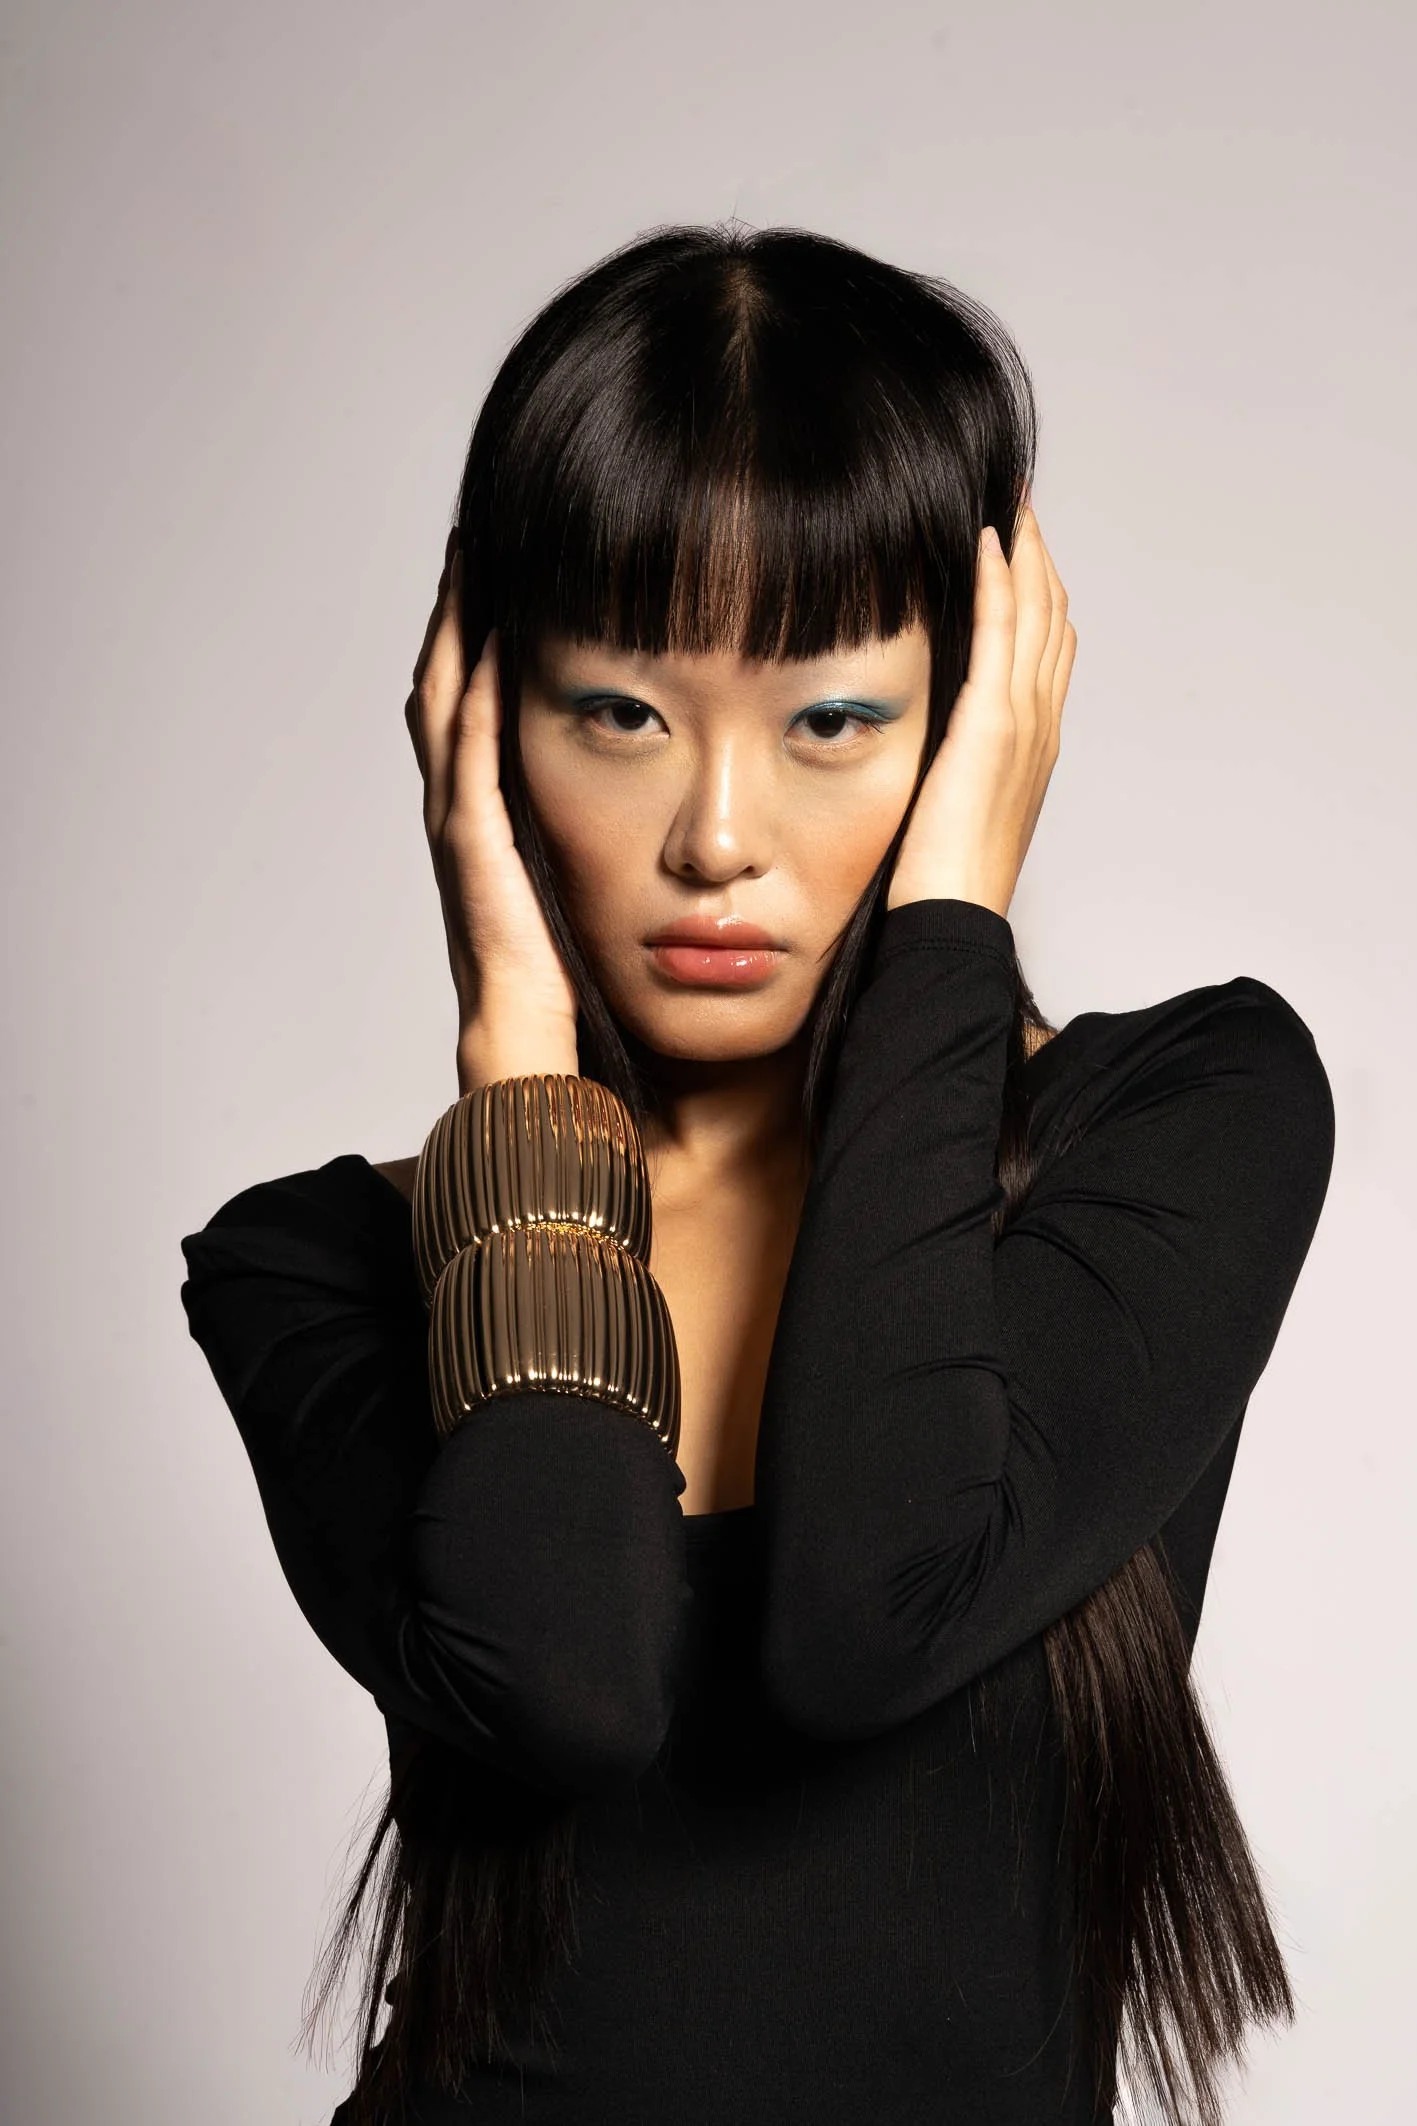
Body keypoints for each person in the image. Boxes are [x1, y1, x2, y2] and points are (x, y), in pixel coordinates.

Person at [178, 224, 1335, 2126]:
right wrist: (513, 1053)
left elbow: (875, 1604)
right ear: (482, 719)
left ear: (979, 717)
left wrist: (952, 915)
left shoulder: (1184, 1122)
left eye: (834, 720)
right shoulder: (320, 1264)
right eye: (620, 713)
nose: (720, 835)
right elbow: (570, 1680)